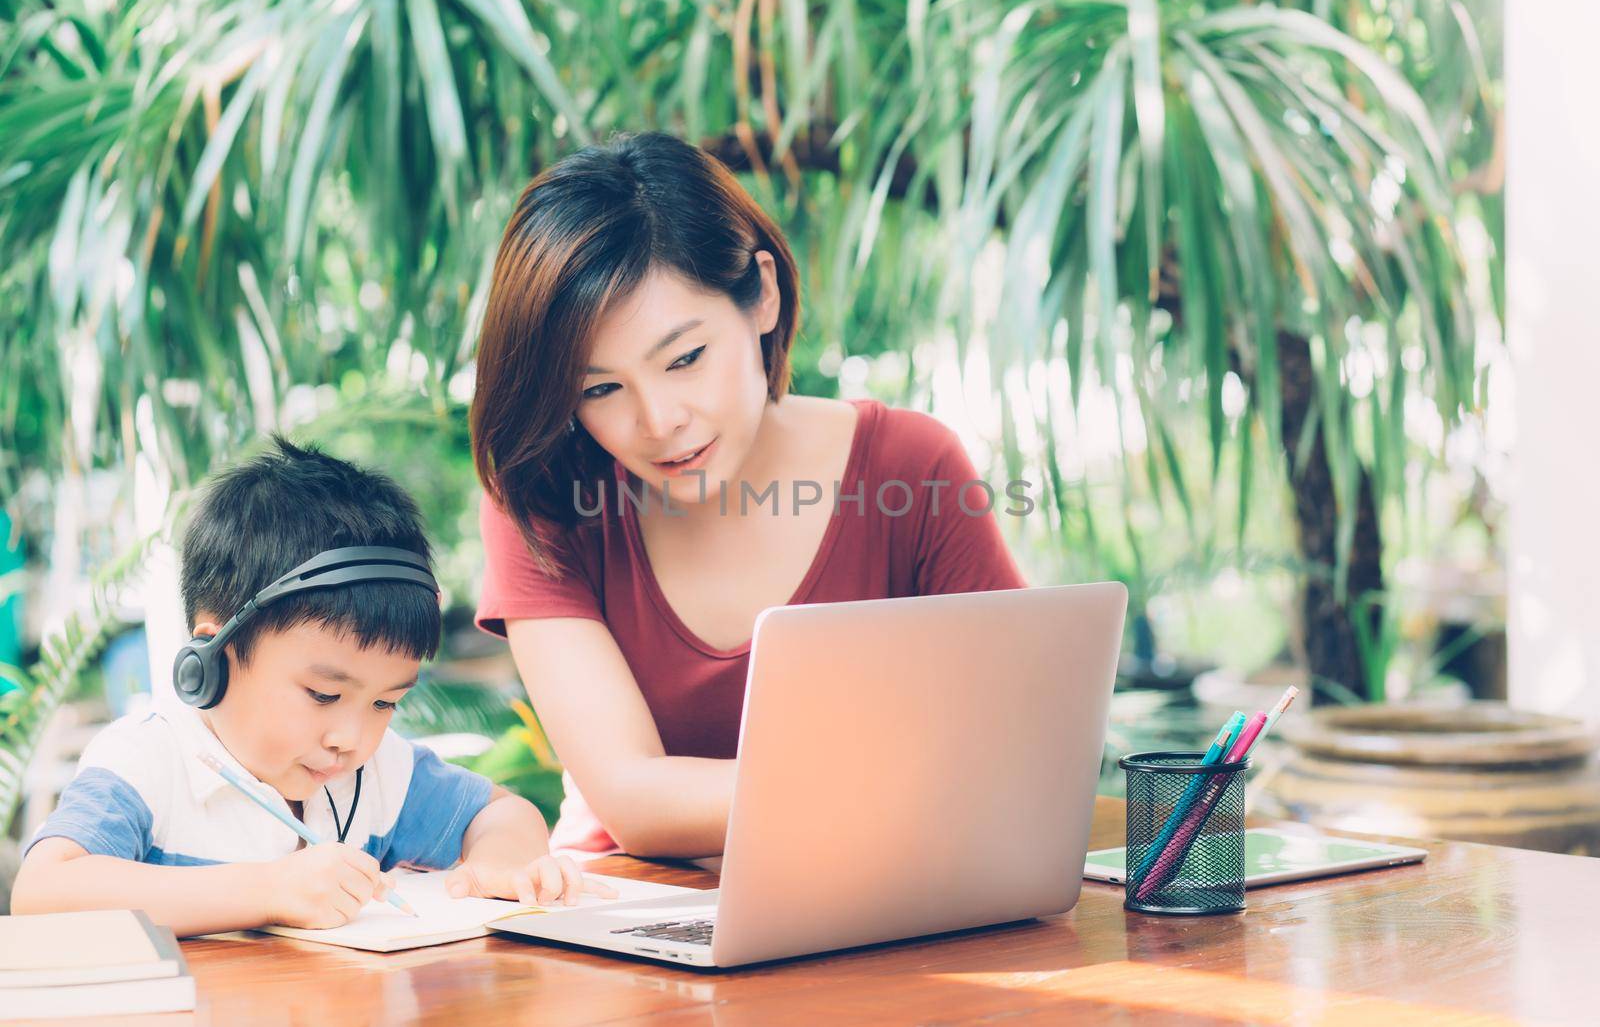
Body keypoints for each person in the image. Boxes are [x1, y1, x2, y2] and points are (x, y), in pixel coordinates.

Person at [471, 131, 1028, 861]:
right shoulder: (541, 497)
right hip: (636, 920)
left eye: (686, 358)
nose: (660, 420)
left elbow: (1022, 745)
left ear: (762, 294)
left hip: (893, 909)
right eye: (599, 389)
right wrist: (911, 784)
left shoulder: (913, 470)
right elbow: (634, 800)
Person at [12, 437, 610, 937]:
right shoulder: (146, 762)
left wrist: (497, 868)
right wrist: (269, 889)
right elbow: (43, 892)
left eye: (385, 703)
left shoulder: (377, 776)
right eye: (324, 695)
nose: (351, 737)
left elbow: (506, 816)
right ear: (213, 656)